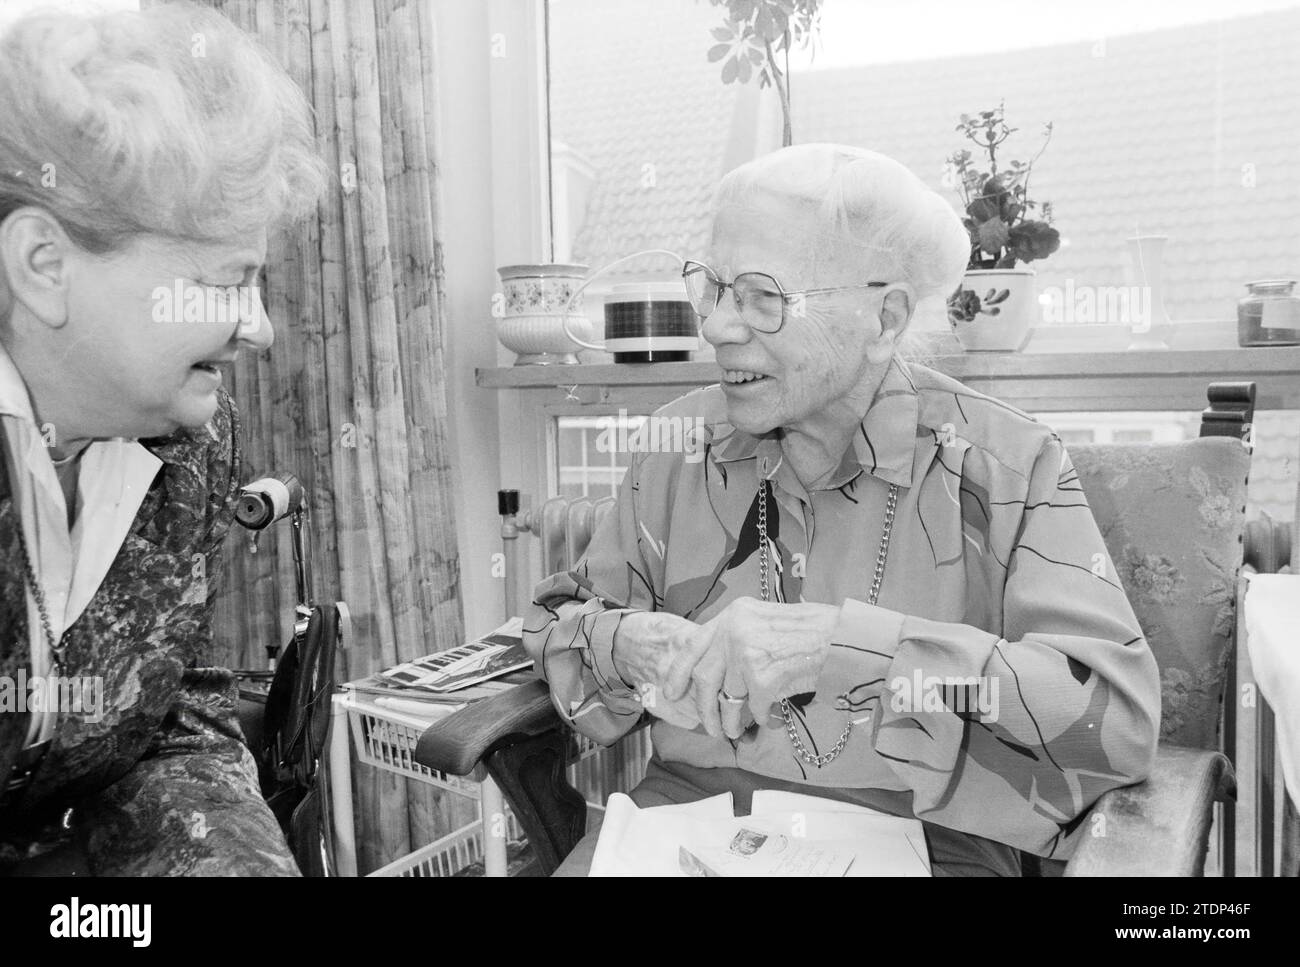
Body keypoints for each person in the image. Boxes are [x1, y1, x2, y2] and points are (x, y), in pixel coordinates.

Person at [524, 143, 1162, 876]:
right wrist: (628, 640)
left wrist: (843, 648)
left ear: (884, 318)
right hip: (687, 830)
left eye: (764, 296)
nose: (717, 327)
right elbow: (554, 620)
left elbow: (1113, 719)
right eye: (714, 287)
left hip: (932, 841)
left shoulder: (1007, 467)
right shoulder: (678, 451)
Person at [0, 3, 326, 875]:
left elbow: (167, 712)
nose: (256, 328)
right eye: (227, 281)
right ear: (43, 266)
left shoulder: (194, 440)